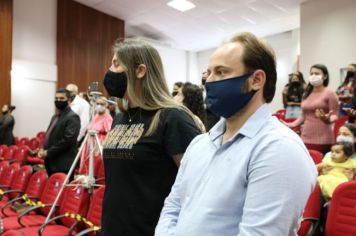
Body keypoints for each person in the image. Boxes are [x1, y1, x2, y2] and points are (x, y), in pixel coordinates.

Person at [155, 32, 317, 236]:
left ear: (256, 80)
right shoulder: (199, 144)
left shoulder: (279, 148)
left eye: (221, 72)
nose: (209, 82)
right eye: (209, 73)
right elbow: (173, 208)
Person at [101, 39, 201, 236]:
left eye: (116, 64)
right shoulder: (120, 117)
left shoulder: (172, 118)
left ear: (140, 70)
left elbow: (198, 187)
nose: (110, 70)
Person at [285, 64, 339, 154]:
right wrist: (290, 124)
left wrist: (326, 118)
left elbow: (335, 115)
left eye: (317, 73)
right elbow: (303, 116)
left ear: (325, 76)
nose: (313, 76)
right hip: (305, 136)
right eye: (311, 73)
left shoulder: (330, 93)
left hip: (323, 139)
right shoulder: (306, 94)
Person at [37, 88, 80, 176]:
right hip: (51, 161)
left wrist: (48, 152)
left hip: (63, 163)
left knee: (62, 189)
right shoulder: (55, 116)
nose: (58, 101)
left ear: (68, 100)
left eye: (61, 98)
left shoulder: (73, 117)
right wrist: (42, 148)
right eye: (56, 99)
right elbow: (48, 134)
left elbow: (68, 140)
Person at [79, 96, 113, 173]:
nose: (99, 106)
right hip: (89, 144)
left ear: (106, 105)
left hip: (99, 145)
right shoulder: (95, 115)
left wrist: (103, 146)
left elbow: (110, 133)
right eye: (97, 103)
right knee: (86, 165)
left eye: (102, 104)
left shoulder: (108, 118)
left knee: (95, 167)